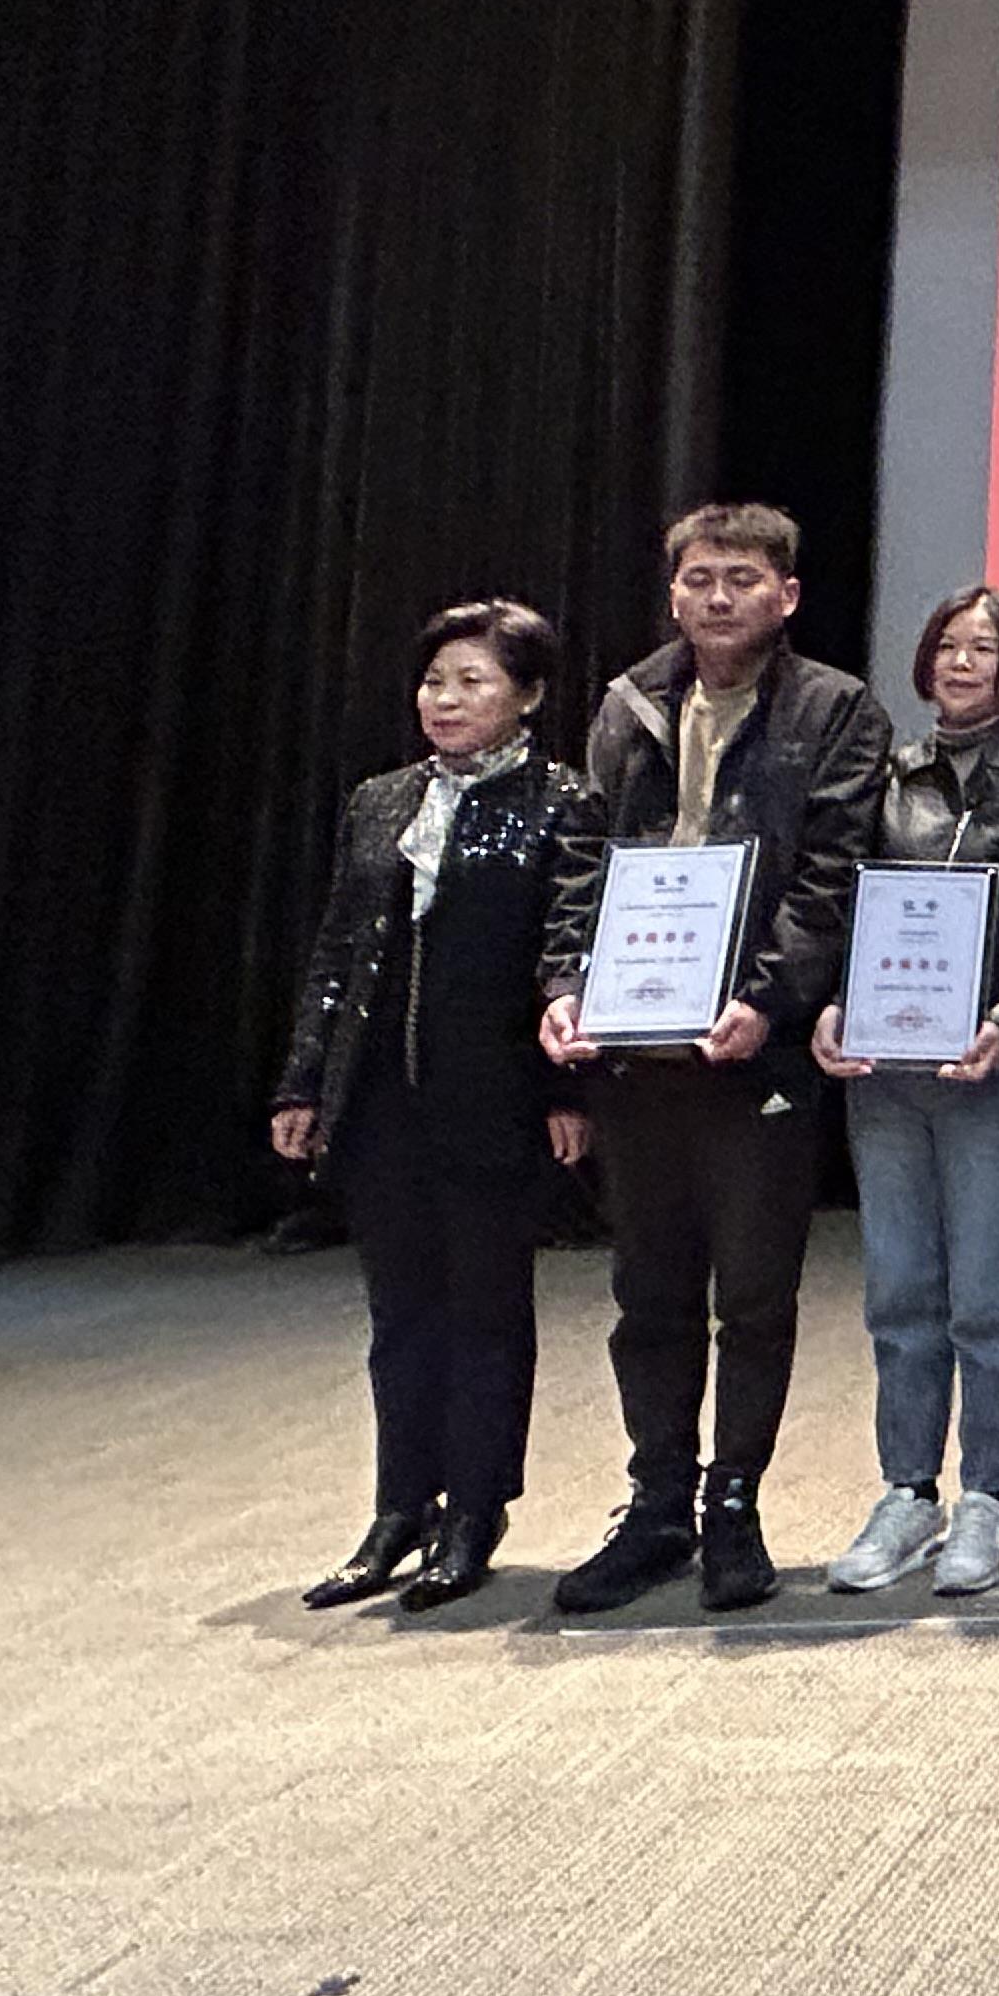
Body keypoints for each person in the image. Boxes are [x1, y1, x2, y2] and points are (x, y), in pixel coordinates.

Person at [540, 504, 889, 1615]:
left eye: (742, 578)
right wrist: (565, 986)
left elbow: (832, 874)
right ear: (673, 594)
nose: (718, 597)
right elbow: (582, 861)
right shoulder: (629, 704)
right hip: (636, 1047)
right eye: (698, 579)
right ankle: (656, 1506)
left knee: (753, 1296)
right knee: (647, 1295)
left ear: (787, 596)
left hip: (754, 1050)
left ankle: (732, 1504)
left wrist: (767, 999)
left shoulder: (834, 709)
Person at [276, 601, 602, 1613]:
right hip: (380, 1096)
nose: (446, 700)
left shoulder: (565, 802)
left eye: (473, 681)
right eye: (434, 681)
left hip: (495, 1092)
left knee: (487, 1311)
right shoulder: (381, 801)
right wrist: (305, 1079)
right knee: (399, 1314)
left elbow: (572, 948)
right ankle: (398, 1509)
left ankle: (475, 1511)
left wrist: (567, 1089)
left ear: (528, 695)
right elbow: (338, 949)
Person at [810, 587, 999, 1599]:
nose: (962, 662)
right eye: (948, 644)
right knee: (899, 1295)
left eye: (984, 647)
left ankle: (986, 1496)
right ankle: (907, 1493)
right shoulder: (886, 776)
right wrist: (835, 1005)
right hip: (888, 1074)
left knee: (989, 1302)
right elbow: (849, 908)